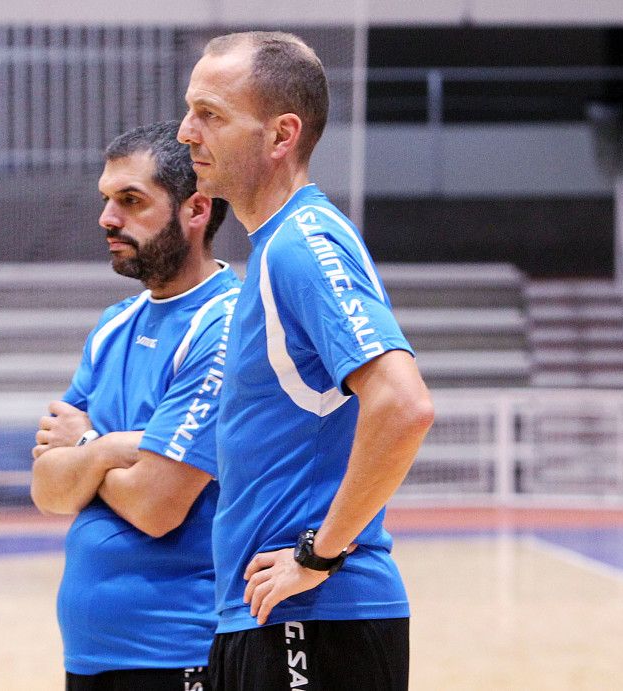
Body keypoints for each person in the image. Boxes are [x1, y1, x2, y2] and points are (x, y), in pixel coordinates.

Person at [177, 32, 435, 690]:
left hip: (314, 620)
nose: (185, 132)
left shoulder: (302, 243)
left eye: (210, 114)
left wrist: (318, 552)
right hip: (264, 618)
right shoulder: (273, 247)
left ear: (281, 134)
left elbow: (403, 405)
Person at [30, 120, 239, 691]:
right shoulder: (114, 323)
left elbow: (157, 503)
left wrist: (87, 446)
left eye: (130, 201)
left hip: (179, 655)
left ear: (195, 211)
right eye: (106, 200)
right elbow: (47, 490)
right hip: (92, 660)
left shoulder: (225, 324)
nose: (107, 219)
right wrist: (118, 450)